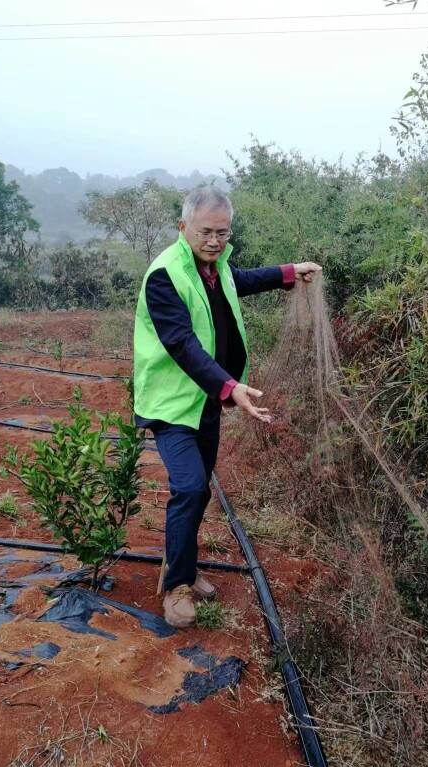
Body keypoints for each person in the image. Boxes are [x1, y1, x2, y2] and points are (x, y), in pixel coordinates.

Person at [133, 186, 321, 628]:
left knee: (199, 491)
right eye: (206, 231)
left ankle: (183, 565)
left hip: (205, 401)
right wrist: (230, 386)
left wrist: (292, 272)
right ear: (183, 228)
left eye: (222, 232)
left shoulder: (215, 270)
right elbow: (181, 343)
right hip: (171, 404)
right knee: (191, 487)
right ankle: (176, 586)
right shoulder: (165, 275)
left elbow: (247, 279)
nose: (215, 240)